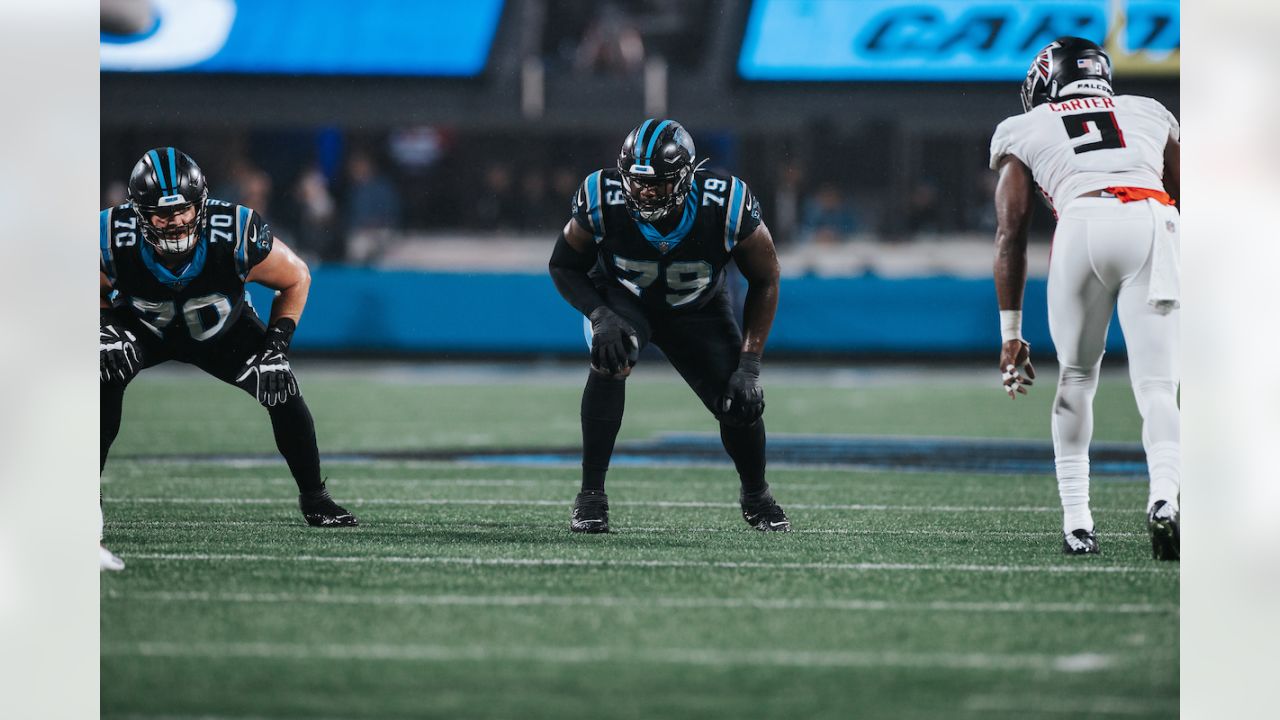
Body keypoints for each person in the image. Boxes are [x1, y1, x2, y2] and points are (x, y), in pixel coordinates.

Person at [100, 148, 358, 542]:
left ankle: (315, 498)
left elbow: (296, 278)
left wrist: (276, 348)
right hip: (142, 328)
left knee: (281, 386)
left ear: (201, 204)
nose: (175, 222)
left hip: (223, 333)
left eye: (183, 210)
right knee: (102, 372)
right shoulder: (112, 233)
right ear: (138, 212)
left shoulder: (233, 228)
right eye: (162, 213)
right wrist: (104, 329)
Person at [548, 119, 788, 533]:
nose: (644, 191)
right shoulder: (601, 196)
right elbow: (563, 265)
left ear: (686, 177)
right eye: (637, 181)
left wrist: (749, 365)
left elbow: (766, 277)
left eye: (657, 182)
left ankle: (756, 495)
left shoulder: (725, 201)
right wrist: (600, 315)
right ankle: (590, 498)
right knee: (611, 355)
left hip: (699, 309)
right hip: (624, 299)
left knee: (740, 402)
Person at [990, 38, 1180, 559]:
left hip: (1084, 223)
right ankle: (1165, 496)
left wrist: (1011, 335)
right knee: (1160, 385)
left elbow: (1011, 233)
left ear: (1045, 80)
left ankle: (1078, 523)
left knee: (1076, 377)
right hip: (1153, 217)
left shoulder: (1023, 127)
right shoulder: (1146, 110)